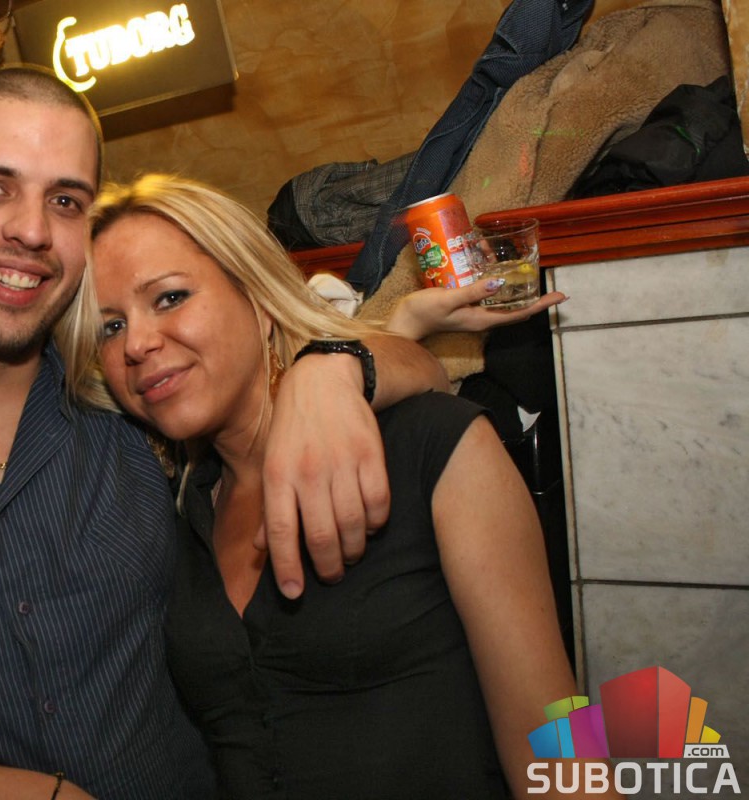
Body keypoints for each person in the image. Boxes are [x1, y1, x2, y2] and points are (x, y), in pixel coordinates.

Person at [0, 66, 450, 800]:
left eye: (64, 201)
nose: (31, 230)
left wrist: (334, 367)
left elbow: (375, 366)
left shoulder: (133, 409)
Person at [64, 174, 602, 798]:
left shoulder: (433, 446)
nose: (137, 344)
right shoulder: (175, 511)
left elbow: (557, 739)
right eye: (109, 328)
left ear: (259, 300)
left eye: (170, 297)